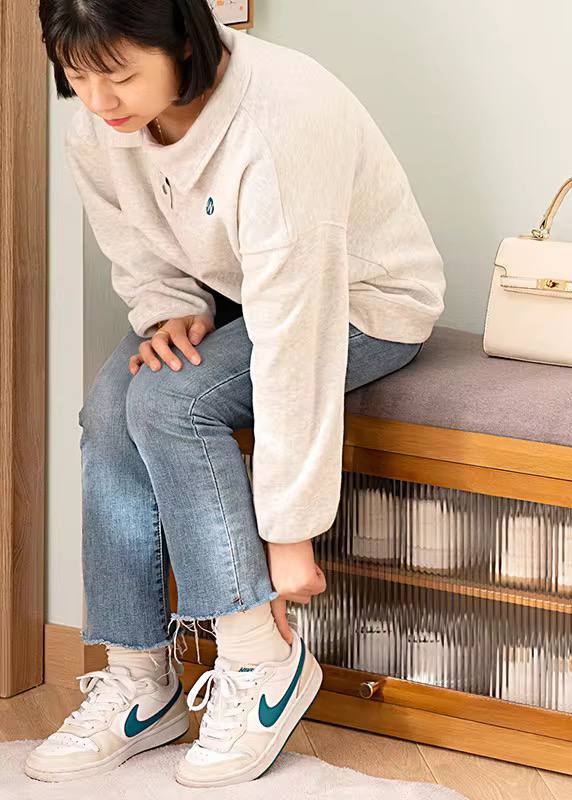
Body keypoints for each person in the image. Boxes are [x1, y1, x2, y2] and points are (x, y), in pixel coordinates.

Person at [27, 0, 445, 788]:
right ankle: (139, 680)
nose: (99, 100)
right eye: (78, 77)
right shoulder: (99, 117)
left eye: (119, 75)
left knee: (168, 403)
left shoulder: (281, 120)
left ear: (183, 41)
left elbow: (297, 337)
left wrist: (289, 534)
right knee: (115, 402)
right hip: (229, 293)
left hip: (359, 302)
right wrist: (167, 305)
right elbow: (128, 231)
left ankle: (262, 660)